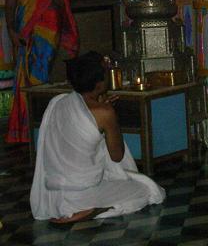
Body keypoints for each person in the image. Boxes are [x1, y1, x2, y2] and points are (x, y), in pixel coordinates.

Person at [30, 51, 165, 222]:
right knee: (149, 189)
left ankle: (80, 208)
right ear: (99, 83)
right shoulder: (105, 112)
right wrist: (111, 119)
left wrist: (101, 115)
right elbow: (117, 156)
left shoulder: (57, 102)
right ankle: (90, 209)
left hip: (53, 197)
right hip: (82, 194)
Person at [5, 0, 78, 143]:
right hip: (24, 29)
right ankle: (26, 132)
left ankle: (43, 131)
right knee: (23, 78)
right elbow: (11, 2)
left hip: (47, 30)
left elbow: (60, 0)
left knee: (39, 77)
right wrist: (11, 29)